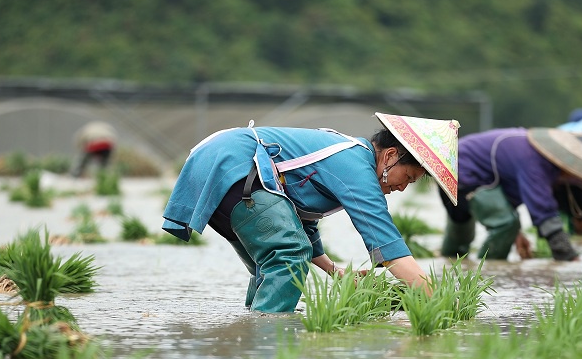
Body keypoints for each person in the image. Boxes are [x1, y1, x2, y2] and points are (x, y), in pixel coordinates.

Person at [162, 113, 459, 313]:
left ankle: (253, 332)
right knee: (288, 255)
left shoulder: (347, 157)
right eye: (407, 177)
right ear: (391, 156)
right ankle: (269, 339)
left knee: (271, 264)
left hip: (227, 169)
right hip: (234, 164)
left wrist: (335, 271)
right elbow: (386, 244)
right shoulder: (355, 163)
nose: (403, 188)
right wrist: (439, 300)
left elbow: (296, 221)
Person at [439, 126, 582, 261]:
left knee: (460, 231)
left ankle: (447, 264)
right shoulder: (534, 160)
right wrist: (567, 254)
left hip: (457, 170)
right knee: (506, 224)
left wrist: (517, 234)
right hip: (461, 173)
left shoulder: (531, 150)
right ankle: (487, 274)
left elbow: (503, 198)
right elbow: (543, 210)